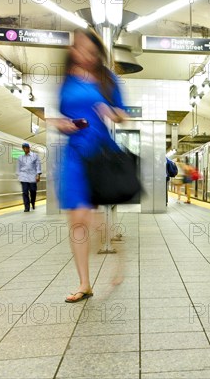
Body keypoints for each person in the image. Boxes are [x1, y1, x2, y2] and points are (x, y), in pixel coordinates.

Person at [49, 28, 127, 303]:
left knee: (86, 215)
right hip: (73, 154)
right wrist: (62, 124)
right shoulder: (66, 81)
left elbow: (123, 117)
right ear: (72, 50)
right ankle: (85, 283)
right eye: (80, 49)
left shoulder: (108, 79)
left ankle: (116, 250)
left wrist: (110, 112)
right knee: (76, 219)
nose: (85, 55)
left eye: (91, 51)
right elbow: (59, 116)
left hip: (99, 153)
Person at [17, 142, 42, 212]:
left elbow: (38, 165)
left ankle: (33, 202)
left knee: (33, 191)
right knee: (25, 192)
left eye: (26, 148)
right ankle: (26, 207)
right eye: (24, 148)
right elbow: (18, 168)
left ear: (29, 148)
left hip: (32, 177)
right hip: (23, 177)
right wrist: (18, 176)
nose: (25, 149)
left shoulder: (35, 155)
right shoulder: (20, 157)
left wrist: (38, 175)